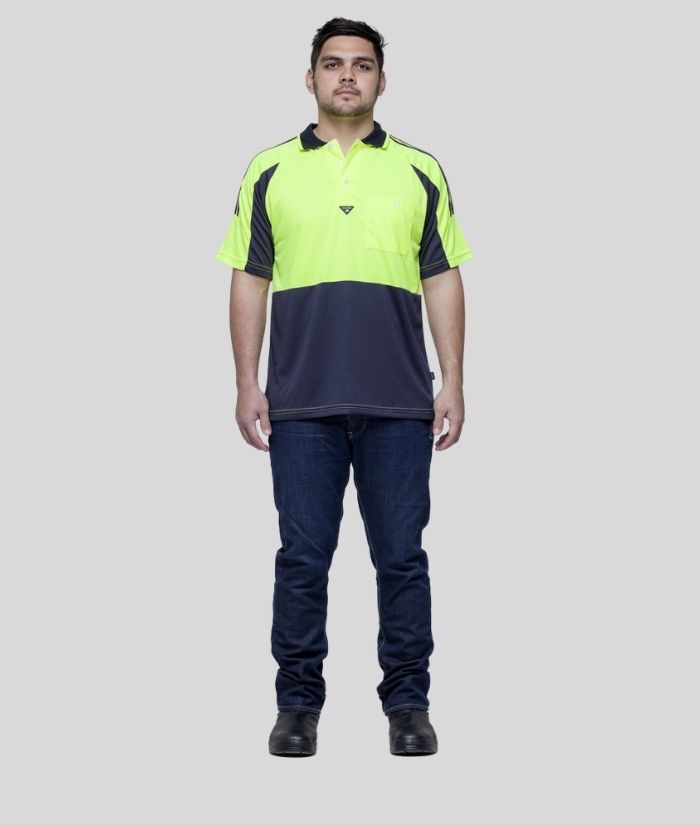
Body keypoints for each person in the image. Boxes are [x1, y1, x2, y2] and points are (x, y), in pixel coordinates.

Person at [215, 17, 473, 757]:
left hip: (400, 402)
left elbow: (442, 277)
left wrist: (454, 380)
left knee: (402, 560)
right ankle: (297, 706)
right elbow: (249, 277)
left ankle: (409, 706)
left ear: (382, 80)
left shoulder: (420, 169)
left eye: (362, 64)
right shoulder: (269, 169)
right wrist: (246, 382)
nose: (348, 75)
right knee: (302, 559)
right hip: (300, 402)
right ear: (311, 79)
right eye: (334, 64)